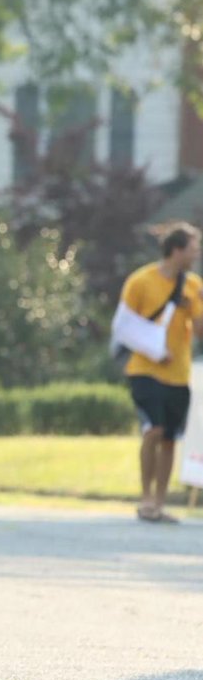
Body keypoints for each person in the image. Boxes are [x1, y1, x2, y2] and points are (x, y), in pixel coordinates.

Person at [119, 221, 203, 523]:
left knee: (169, 438)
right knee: (153, 429)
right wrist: (154, 349)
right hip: (144, 369)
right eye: (194, 249)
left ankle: (159, 501)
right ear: (176, 250)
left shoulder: (194, 286)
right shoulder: (140, 281)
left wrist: (195, 306)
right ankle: (145, 498)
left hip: (178, 373)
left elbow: (200, 331)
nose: (197, 254)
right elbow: (123, 327)